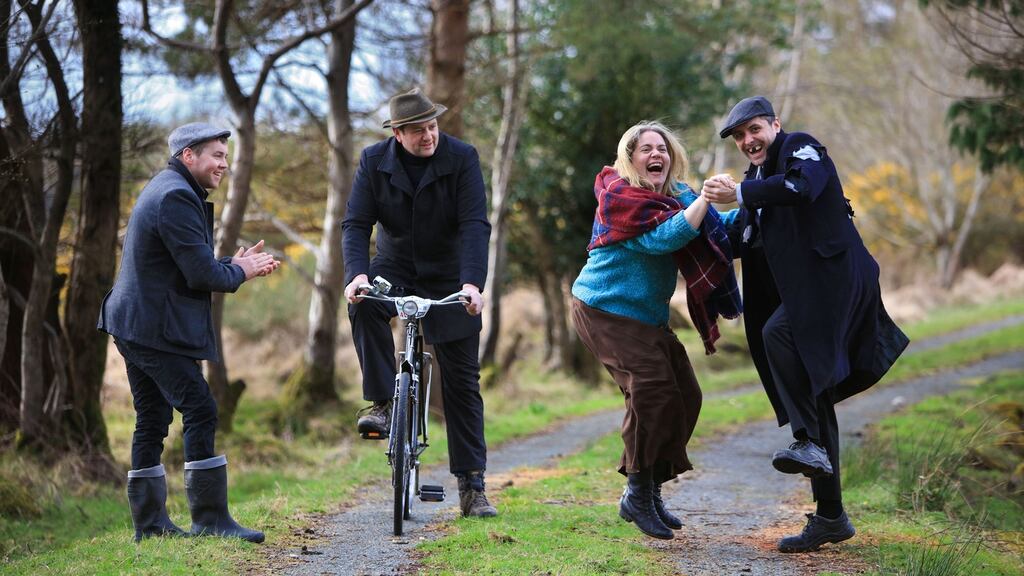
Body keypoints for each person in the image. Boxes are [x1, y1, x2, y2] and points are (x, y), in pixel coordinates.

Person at [702, 96, 909, 553]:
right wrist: (692, 212)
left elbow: (801, 189)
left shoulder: (801, 148)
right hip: (808, 294)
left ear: (775, 125)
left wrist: (739, 194)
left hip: (836, 281)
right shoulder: (757, 180)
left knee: (778, 332)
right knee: (815, 398)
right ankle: (831, 516)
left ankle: (804, 439)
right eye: (739, 137)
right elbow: (740, 239)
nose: (747, 141)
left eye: (754, 129)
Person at [98, 122, 279, 544]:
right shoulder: (176, 196)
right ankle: (210, 520)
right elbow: (200, 275)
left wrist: (231, 264)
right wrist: (240, 270)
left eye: (225, 156)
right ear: (188, 155)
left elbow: (187, 263)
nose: (224, 164)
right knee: (200, 408)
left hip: (136, 322)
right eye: (216, 155)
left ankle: (151, 526)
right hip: (149, 327)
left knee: (153, 417)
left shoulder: (169, 188)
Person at [571, 121, 741, 540]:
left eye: (661, 148)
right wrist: (702, 199)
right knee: (651, 390)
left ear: (671, 156)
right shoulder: (620, 197)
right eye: (644, 148)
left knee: (685, 395)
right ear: (629, 158)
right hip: (604, 308)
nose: (655, 154)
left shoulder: (677, 195)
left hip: (646, 316)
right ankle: (638, 491)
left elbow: (717, 226)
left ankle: (646, 488)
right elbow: (665, 238)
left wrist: (758, 203)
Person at [342, 87, 496, 518]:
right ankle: (384, 405)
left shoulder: (462, 157)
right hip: (395, 267)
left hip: (450, 275)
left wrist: (472, 284)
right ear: (398, 134)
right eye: (417, 130)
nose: (428, 136)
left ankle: (472, 486)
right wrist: (356, 276)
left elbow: (473, 225)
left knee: (463, 383)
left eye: (432, 126)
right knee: (366, 303)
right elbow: (355, 223)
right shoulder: (374, 160)